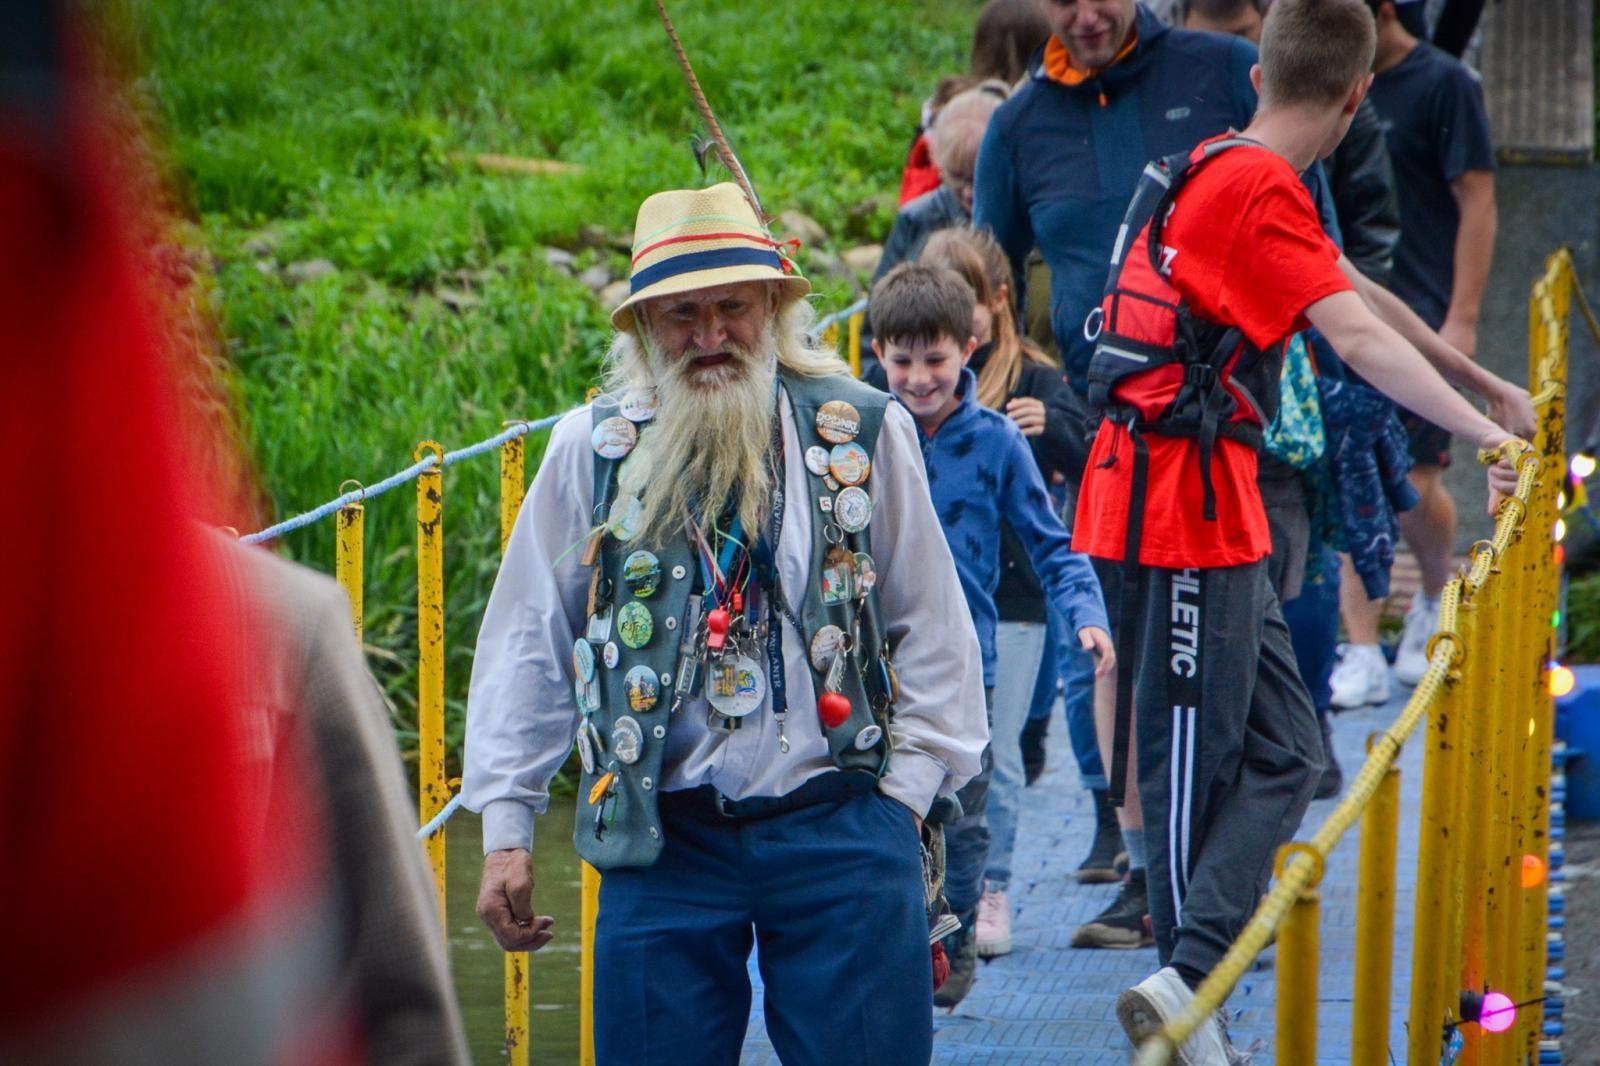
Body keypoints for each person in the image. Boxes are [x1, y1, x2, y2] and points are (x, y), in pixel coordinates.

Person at [1067, 1, 1530, 1057]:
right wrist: (1484, 436)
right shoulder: (1251, 184)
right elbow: (1354, 335)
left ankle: (1187, 977)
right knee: (1192, 765)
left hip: (1217, 500)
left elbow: (1351, 287)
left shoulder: (1229, 164)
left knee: (1286, 749)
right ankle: (1189, 1005)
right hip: (1170, 507)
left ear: (1258, 76)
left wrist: (1483, 381)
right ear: (1359, 96)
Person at [464, 182, 988, 1065]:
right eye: (682, 314)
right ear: (644, 327)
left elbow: (934, 628)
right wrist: (507, 831)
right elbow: (529, 644)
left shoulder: (863, 430)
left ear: (774, 308)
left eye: (733, 307)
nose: (710, 335)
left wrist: (902, 804)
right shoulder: (588, 450)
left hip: (843, 823)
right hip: (660, 836)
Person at [974, 0, 1264, 955]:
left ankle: (1226, 875)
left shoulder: (1222, 70)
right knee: (1117, 660)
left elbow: (1314, 235)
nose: (1087, 15)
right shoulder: (1018, 125)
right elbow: (981, 287)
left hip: (1234, 424)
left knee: (1238, 666)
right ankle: (1147, 874)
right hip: (1103, 433)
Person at [870, 260, 1113, 1001]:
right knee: (881, 813)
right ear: (877, 353)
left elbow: (1052, 544)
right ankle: (890, 944)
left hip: (963, 666)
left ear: (968, 348)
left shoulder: (998, 441)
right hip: (873, 666)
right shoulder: (859, 435)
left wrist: (1087, 615)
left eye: (934, 360)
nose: (918, 379)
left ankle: (956, 941)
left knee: (964, 816)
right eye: (902, 362)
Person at [1331, 0, 1497, 706]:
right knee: (1351, 475)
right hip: (1345, 306)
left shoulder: (1443, 83)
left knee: (1417, 480)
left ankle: (1433, 591)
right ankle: (1362, 645)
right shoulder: (1330, 80)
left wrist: (1463, 317)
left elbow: (1478, 200)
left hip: (1422, 306)